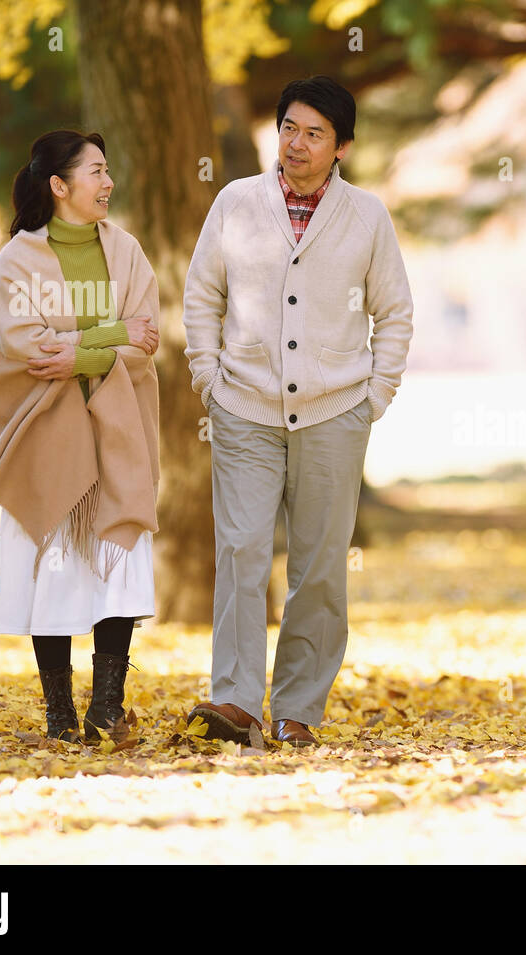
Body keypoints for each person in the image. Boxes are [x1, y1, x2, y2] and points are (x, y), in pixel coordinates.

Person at [182, 75, 413, 745]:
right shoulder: (236, 202)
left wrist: (373, 397)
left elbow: (393, 311)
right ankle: (237, 703)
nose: (297, 143)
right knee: (241, 548)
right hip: (244, 408)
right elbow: (202, 296)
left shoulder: (367, 215)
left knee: (318, 567)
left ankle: (297, 710)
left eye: (314, 133)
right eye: (288, 127)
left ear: (341, 146)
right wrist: (209, 378)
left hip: (334, 412)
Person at [0, 130, 161, 743]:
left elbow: (146, 342)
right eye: (95, 171)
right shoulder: (20, 258)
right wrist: (108, 338)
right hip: (48, 434)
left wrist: (81, 350)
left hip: (116, 427)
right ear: (58, 185)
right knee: (52, 567)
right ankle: (60, 714)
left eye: (107, 170)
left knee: (120, 563)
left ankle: (105, 709)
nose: (107, 183)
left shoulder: (127, 251)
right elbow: (27, 345)